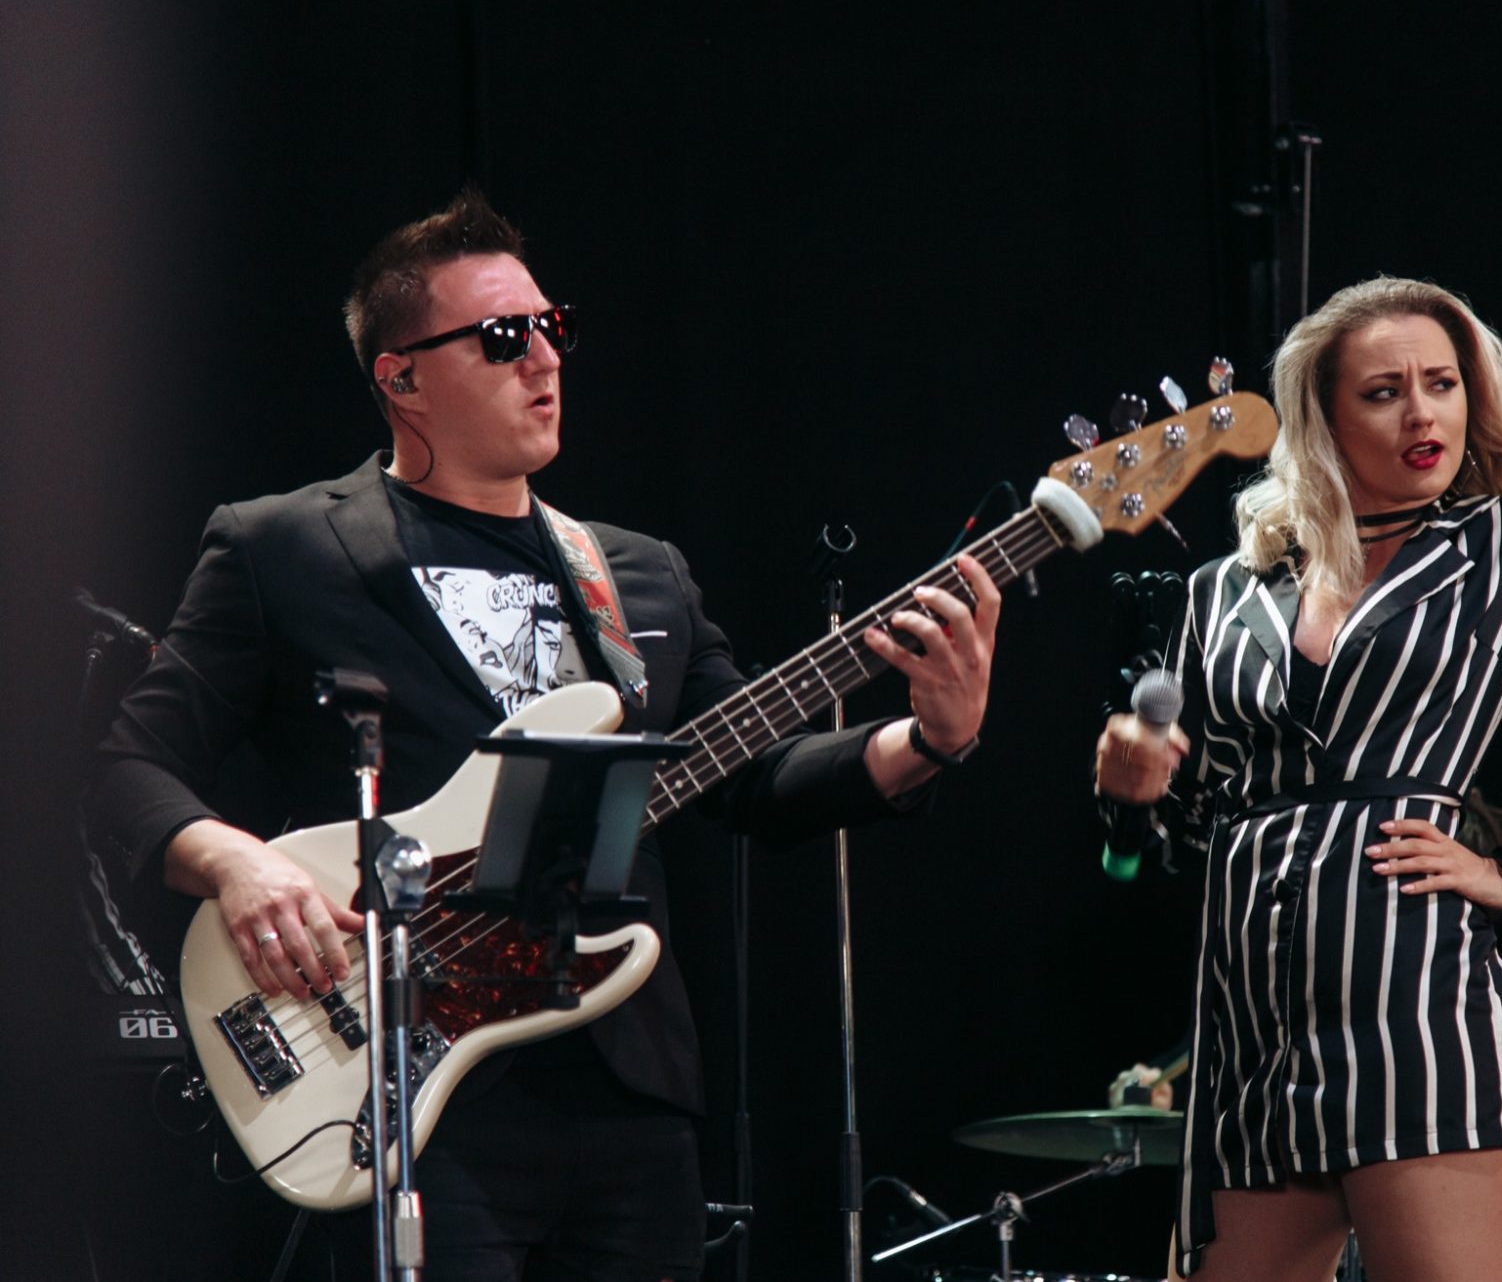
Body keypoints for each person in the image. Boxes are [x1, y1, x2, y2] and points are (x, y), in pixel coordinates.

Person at [87, 188, 1000, 1281]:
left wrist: (927, 739)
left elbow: (749, 774)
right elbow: (128, 765)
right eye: (503, 336)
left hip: (628, 1093)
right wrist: (234, 863)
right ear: (401, 378)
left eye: (551, 327)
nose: (545, 359)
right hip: (405, 1088)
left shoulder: (639, 573)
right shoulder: (283, 547)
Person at [1093, 276, 1502, 1282]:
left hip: (1415, 1016)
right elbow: (1179, 841)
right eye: (1383, 392)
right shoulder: (1222, 590)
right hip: (1251, 1034)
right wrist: (1130, 795)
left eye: (1442, 384)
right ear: (1322, 418)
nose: (1422, 414)